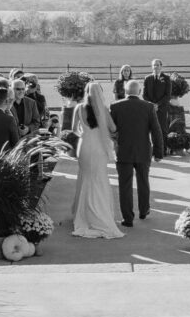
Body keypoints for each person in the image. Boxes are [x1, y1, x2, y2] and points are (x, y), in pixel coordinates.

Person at [68, 82, 124, 239]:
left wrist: (83, 133)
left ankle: (82, 214)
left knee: (84, 177)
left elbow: (74, 129)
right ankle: (99, 214)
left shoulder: (79, 108)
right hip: (98, 148)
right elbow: (113, 128)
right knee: (99, 179)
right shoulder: (103, 109)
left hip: (84, 146)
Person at [109, 79, 164, 228]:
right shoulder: (148, 107)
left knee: (124, 185)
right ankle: (144, 210)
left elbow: (111, 130)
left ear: (125, 91)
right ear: (139, 92)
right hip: (143, 150)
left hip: (123, 151)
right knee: (143, 181)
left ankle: (128, 218)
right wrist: (159, 152)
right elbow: (156, 130)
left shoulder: (115, 106)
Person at [143, 58, 171, 138]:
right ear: (152, 67)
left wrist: (157, 105)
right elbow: (144, 95)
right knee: (151, 130)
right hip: (150, 109)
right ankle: (153, 149)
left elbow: (167, 95)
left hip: (162, 109)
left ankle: (164, 149)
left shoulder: (166, 78)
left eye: (157, 65)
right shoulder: (147, 78)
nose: (155, 67)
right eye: (154, 65)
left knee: (162, 130)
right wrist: (152, 105)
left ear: (161, 66)